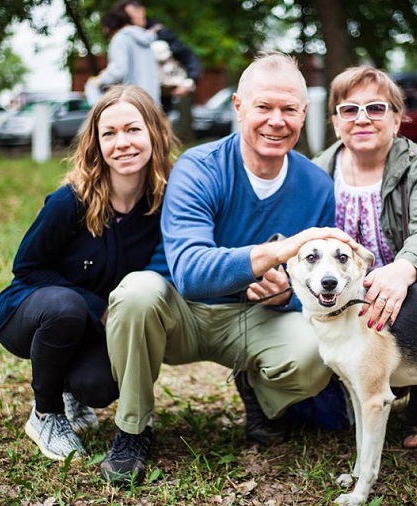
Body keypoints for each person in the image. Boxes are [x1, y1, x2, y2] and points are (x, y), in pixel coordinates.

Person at [101, 52, 358, 486]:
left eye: (288, 109)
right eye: (264, 107)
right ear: (239, 107)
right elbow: (189, 271)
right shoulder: (199, 168)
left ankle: (260, 394)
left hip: (258, 319)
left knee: (317, 352)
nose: (277, 120)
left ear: (303, 114)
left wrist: (287, 293)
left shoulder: (315, 185)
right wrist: (274, 254)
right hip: (180, 313)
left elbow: (320, 283)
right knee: (135, 293)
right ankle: (132, 429)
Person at [0, 85, 176, 461]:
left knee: (100, 386)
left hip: (95, 325)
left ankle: (72, 392)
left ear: (154, 133)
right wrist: (97, 306)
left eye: (133, 129)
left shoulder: (164, 204)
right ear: (97, 143)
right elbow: (26, 268)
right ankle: (46, 413)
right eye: (109, 133)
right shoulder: (70, 201)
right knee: (67, 307)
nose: (121, 142)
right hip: (33, 311)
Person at [312, 66, 417, 449]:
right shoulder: (318, 169)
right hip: (341, 285)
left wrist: (404, 268)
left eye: (376, 109)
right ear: (335, 122)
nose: (362, 119)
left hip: (406, 278)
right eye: (349, 110)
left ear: (397, 119)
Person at [113, 0, 201, 108]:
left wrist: (189, 82)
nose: (132, 19)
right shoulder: (125, 40)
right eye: (127, 17)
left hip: (165, 100)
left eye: (132, 14)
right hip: (137, 100)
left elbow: (187, 56)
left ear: (142, 11)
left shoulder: (159, 33)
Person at [86, 9, 161, 106]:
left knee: (91, 86)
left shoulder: (120, 39)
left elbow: (119, 71)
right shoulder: (146, 39)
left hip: (133, 102)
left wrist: (98, 80)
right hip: (152, 102)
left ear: (108, 28)